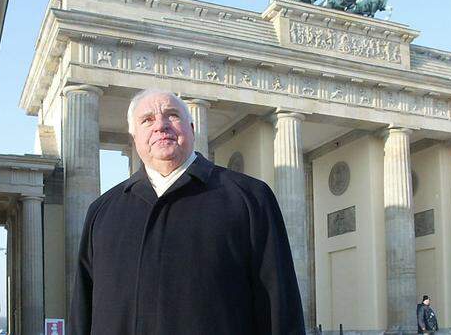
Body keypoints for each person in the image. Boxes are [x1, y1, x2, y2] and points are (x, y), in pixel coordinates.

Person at [68, 89, 305, 334]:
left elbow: (280, 307)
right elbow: (82, 310)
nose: (160, 125)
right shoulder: (103, 211)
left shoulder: (251, 198)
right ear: (134, 136)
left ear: (192, 128)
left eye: (172, 115)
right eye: (147, 120)